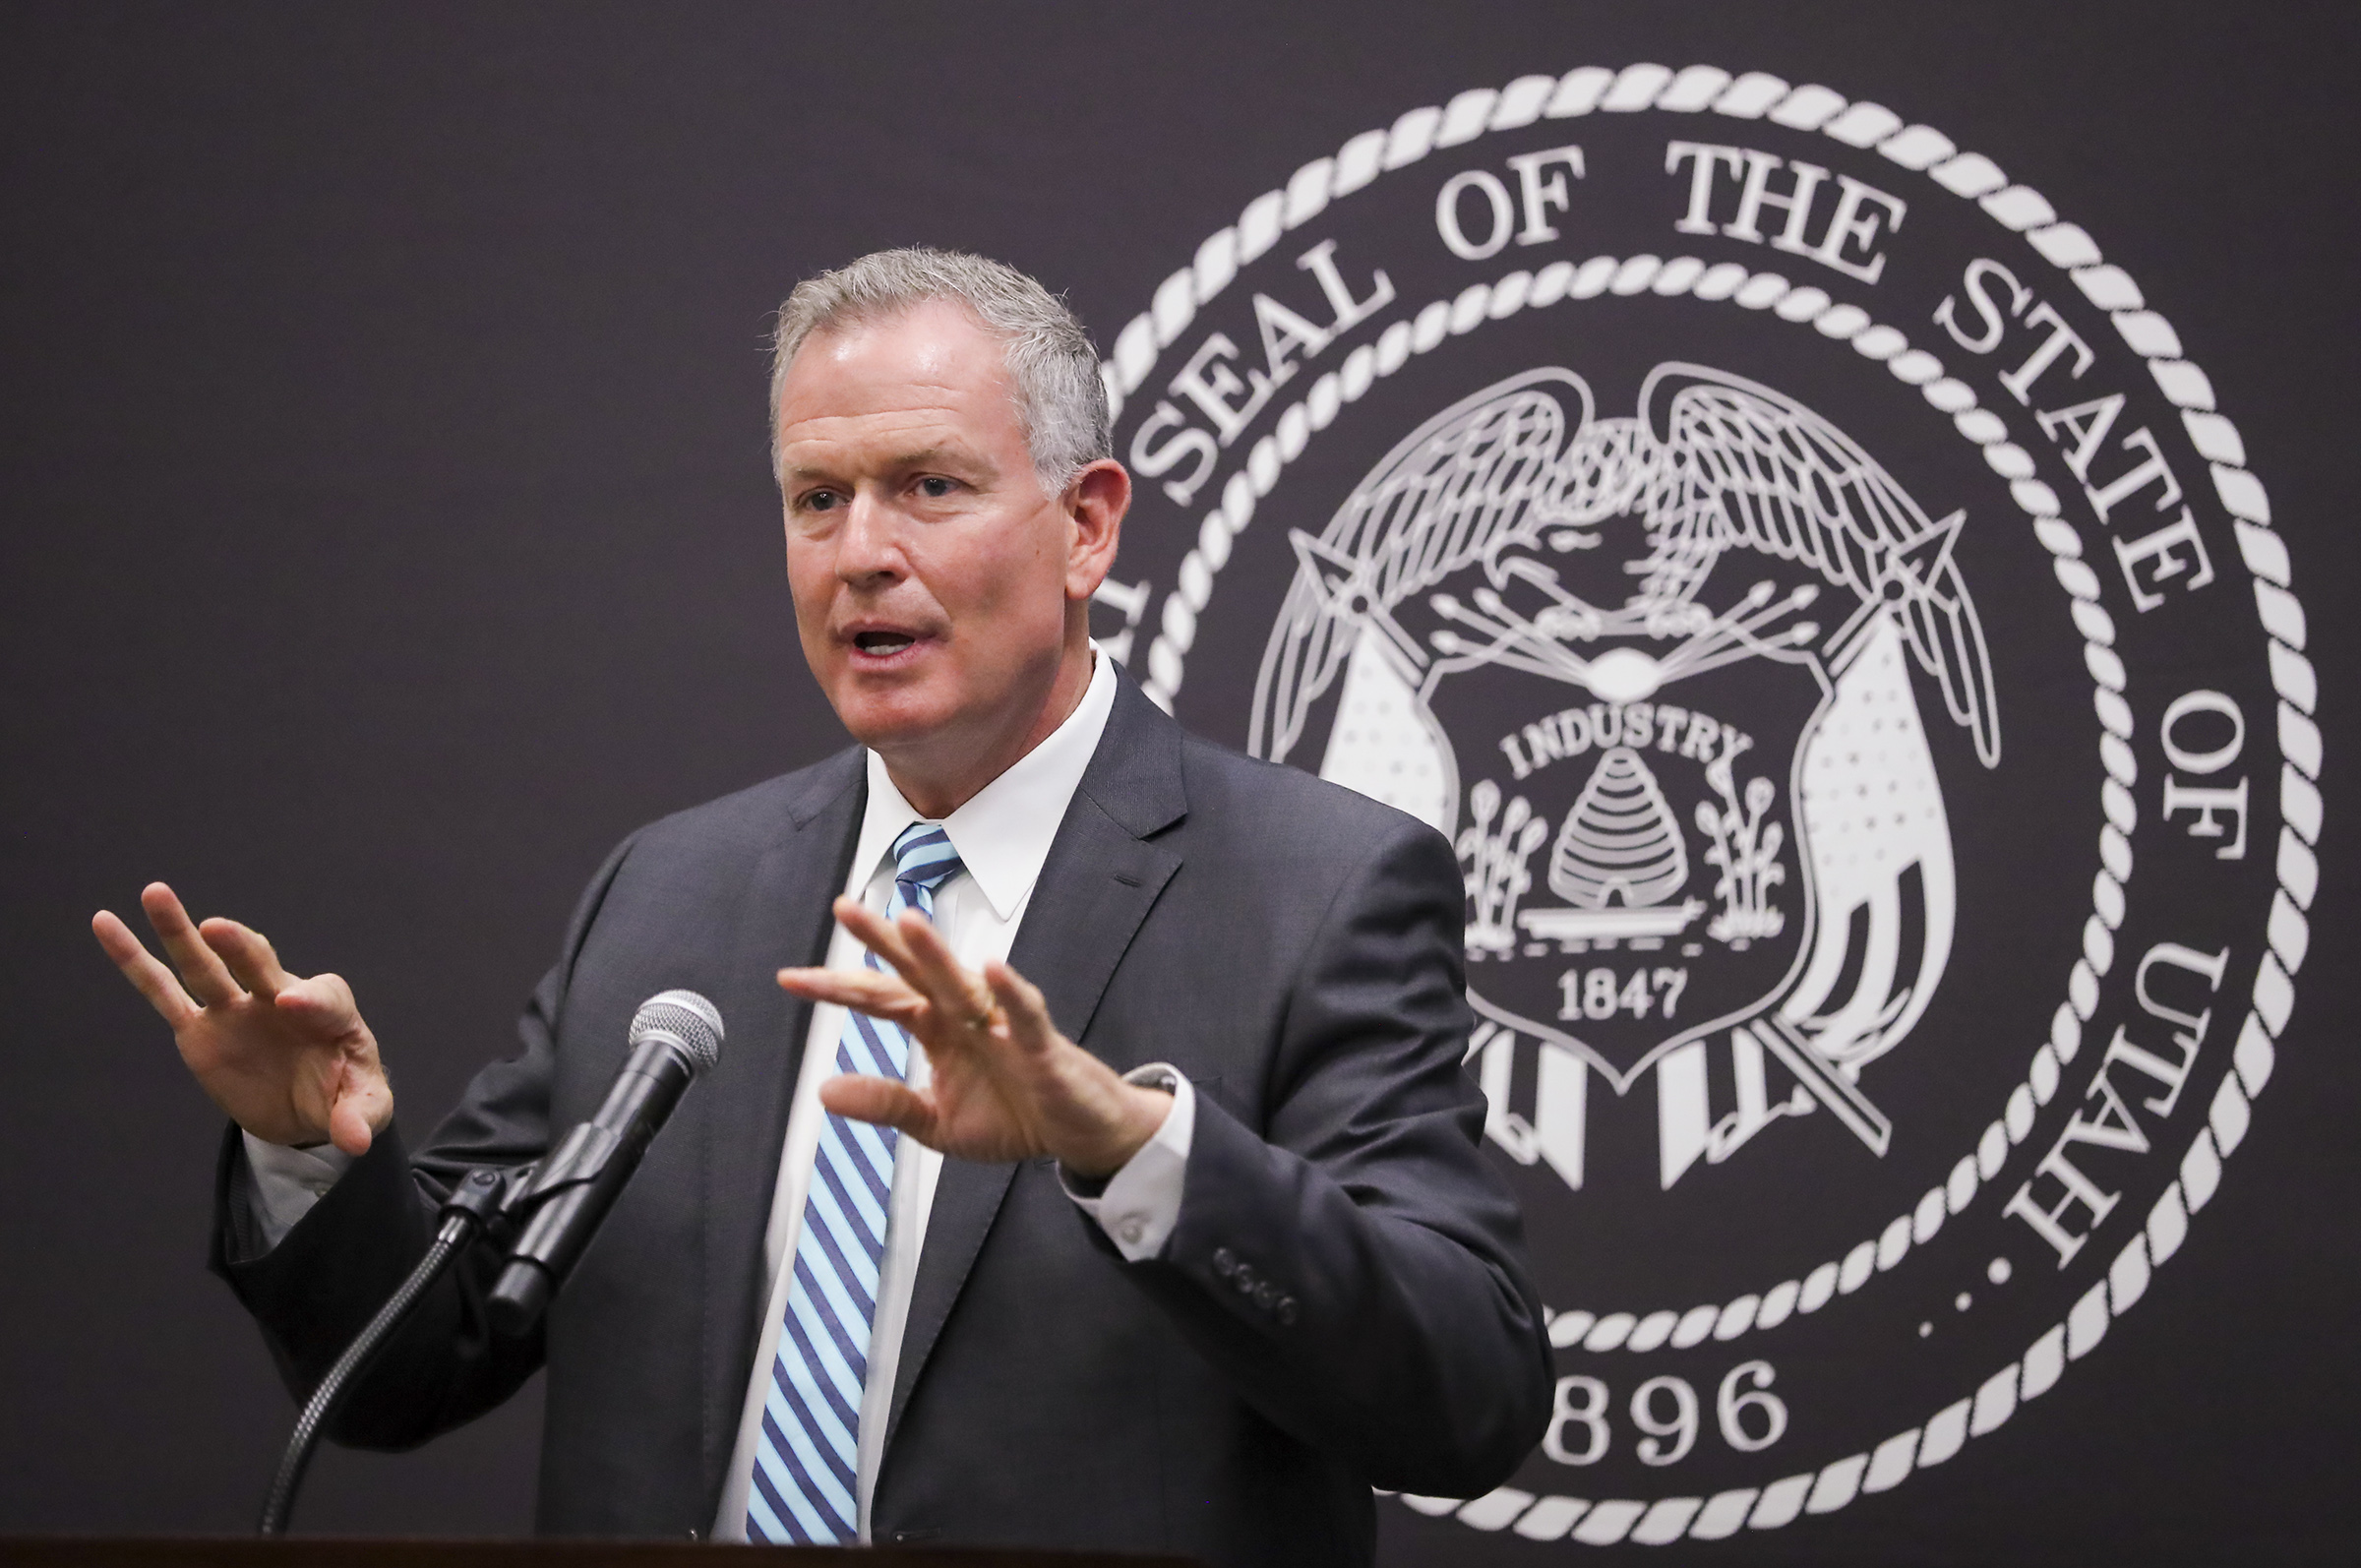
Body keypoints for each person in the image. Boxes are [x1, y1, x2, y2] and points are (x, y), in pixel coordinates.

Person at [92, 248, 1552, 1563]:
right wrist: (310, 1151)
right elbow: (418, 1365)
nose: (861, 549)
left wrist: (1134, 1150)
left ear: (1088, 525)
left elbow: (1467, 1398)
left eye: (929, 485)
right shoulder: (671, 891)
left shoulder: (1320, 884)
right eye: (816, 498)